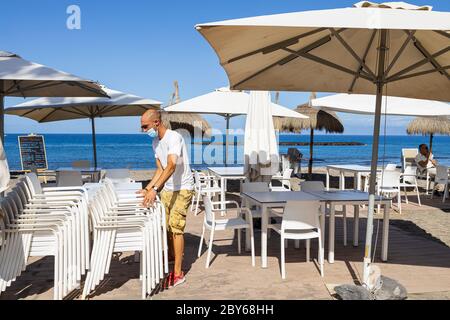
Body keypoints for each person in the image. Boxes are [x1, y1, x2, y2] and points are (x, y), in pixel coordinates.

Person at [139, 109, 194, 288]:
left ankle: (178, 273)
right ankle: (172, 255)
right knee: (167, 226)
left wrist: (154, 189)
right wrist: (147, 188)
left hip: (183, 188)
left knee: (176, 227)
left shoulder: (174, 138)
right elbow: (160, 170)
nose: (143, 130)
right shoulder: (156, 142)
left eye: (145, 126)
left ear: (156, 122)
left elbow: (171, 166)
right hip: (168, 189)